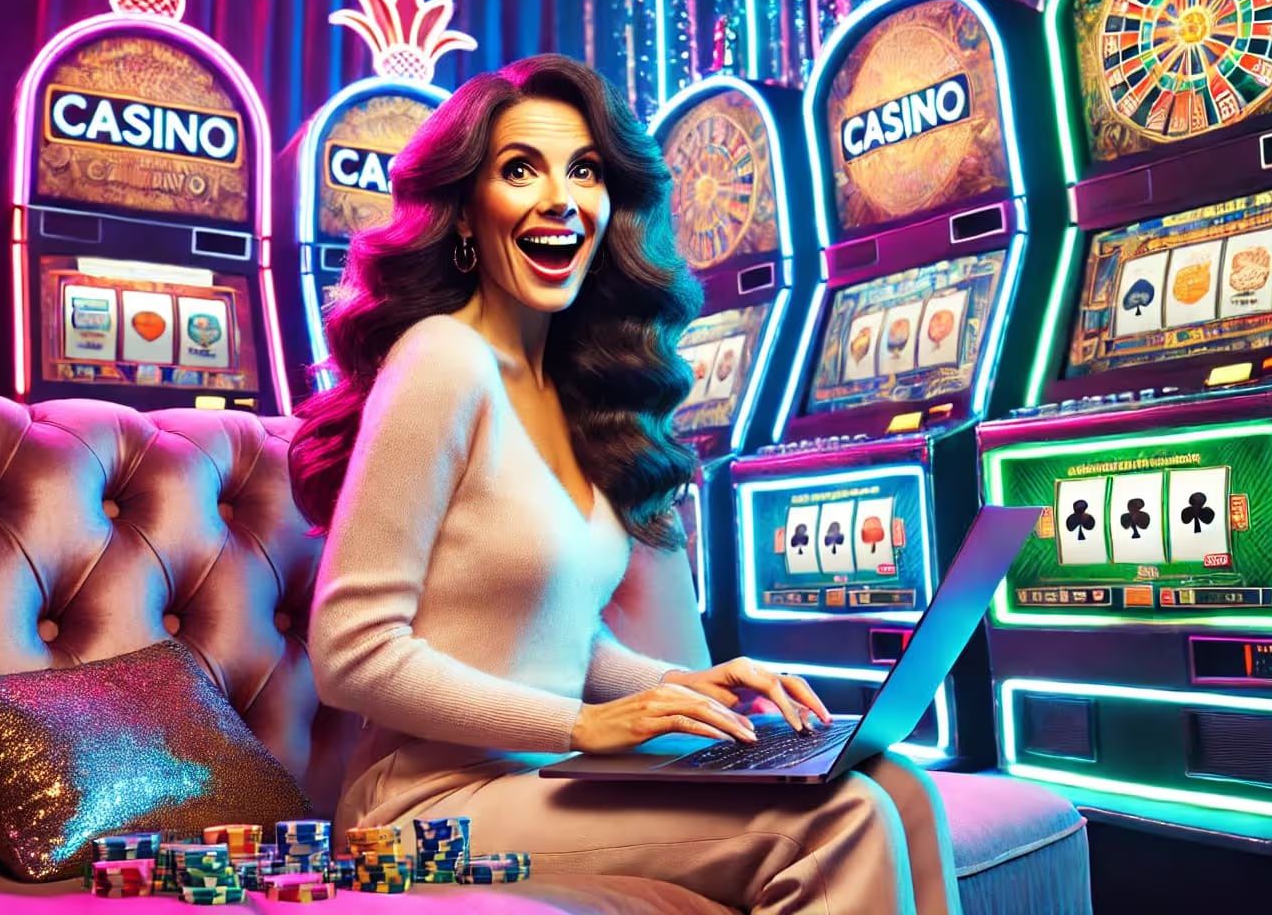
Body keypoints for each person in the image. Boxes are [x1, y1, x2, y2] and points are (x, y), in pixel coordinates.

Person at [290, 53, 959, 914]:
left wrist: (678, 688)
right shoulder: (442, 359)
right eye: (519, 169)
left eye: (586, 171)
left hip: (543, 780)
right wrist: (576, 726)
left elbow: (551, 640)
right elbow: (351, 655)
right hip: (424, 811)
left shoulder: (571, 393)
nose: (561, 197)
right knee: (831, 822)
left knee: (899, 786)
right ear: (463, 211)